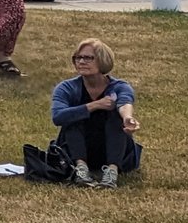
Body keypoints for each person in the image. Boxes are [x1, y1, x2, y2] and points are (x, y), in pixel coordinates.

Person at [50, 37, 143, 188]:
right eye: (78, 58)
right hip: (76, 149)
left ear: (102, 60)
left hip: (112, 148)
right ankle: (81, 169)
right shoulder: (66, 87)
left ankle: (112, 172)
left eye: (88, 58)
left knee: (115, 116)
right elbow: (58, 117)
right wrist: (93, 105)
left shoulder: (119, 86)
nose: (81, 62)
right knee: (73, 115)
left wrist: (127, 117)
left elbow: (125, 101)